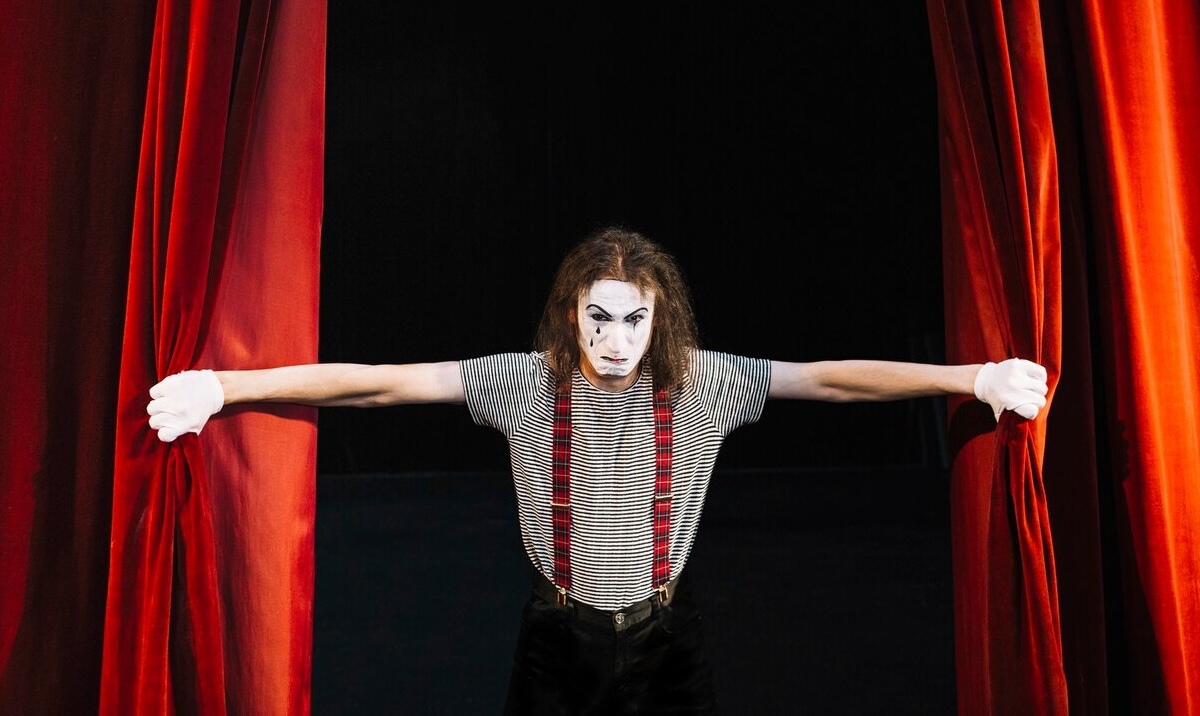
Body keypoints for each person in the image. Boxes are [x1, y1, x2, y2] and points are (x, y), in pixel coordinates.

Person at [146, 225, 1048, 715]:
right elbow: (379, 384)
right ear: (571, 314)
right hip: (558, 638)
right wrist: (226, 386)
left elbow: (831, 379)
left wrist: (969, 378)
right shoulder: (522, 382)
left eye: (634, 320)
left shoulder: (705, 382)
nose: (616, 340)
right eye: (599, 317)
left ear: (660, 321)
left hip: (666, 639)